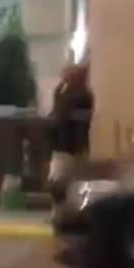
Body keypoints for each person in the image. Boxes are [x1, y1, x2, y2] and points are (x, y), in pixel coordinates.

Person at [48, 62, 93, 202]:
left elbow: (66, 115)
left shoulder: (81, 95)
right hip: (64, 144)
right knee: (62, 179)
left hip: (71, 145)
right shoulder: (63, 91)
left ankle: (66, 207)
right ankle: (62, 207)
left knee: (66, 179)